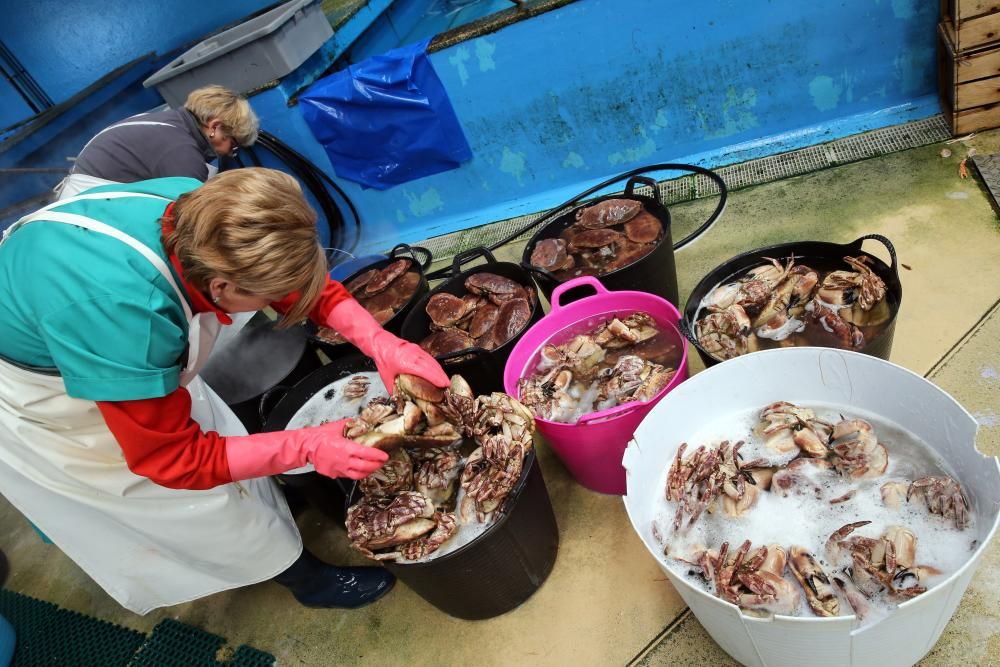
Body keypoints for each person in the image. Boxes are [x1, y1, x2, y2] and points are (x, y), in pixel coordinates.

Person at [0, 168, 449, 614]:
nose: (281, 297)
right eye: (267, 296)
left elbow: (294, 282)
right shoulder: (127, 321)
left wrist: (382, 342)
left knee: (232, 448)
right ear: (221, 288)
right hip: (51, 394)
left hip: (88, 318)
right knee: (201, 505)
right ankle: (305, 580)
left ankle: (274, 513)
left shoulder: (205, 213)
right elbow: (171, 460)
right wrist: (308, 444)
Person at [56, 85, 259, 199]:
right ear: (215, 127)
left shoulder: (168, 122)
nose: (229, 153)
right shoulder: (181, 153)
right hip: (89, 214)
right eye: (233, 145)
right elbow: (196, 219)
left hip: (80, 200)